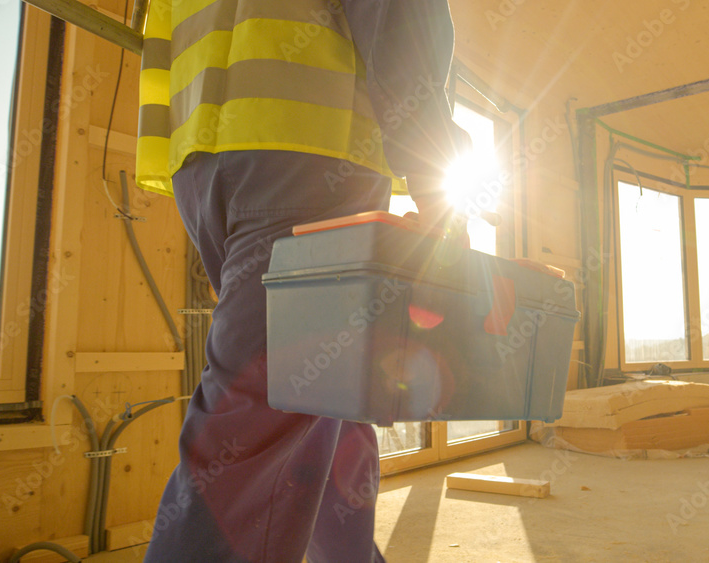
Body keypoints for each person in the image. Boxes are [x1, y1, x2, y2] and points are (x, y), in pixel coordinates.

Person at [134, 0, 469, 561]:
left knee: (324, 387)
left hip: (204, 155)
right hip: (312, 143)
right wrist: (436, 172)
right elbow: (396, 17)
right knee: (265, 414)